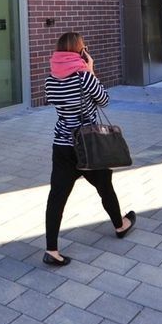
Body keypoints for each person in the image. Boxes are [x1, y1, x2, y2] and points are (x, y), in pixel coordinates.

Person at [41, 32, 134, 266]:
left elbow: (56, 104)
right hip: (88, 144)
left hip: (62, 144)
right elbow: (104, 100)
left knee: (57, 197)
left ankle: (51, 250)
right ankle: (120, 225)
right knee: (104, 186)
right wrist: (90, 70)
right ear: (80, 51)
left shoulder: (51, 79)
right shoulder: (84, 77)